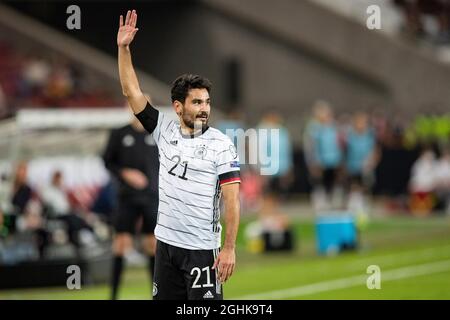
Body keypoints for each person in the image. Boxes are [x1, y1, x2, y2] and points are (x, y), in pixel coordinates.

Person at [117, 10, 241, 300]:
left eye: (207, 102)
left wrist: (229, 248)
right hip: (166, 246)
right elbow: (130, 91)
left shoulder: (221, 144)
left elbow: (232, 199)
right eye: (197, 102)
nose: (204, 109)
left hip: (201, 250)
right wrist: (124, 49)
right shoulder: (164, 131)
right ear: (177, 106)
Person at [102, 112, 159, 300]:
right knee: (120, 244)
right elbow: (107, 161)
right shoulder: (119, 133)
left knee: (152, 245)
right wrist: (125, 173)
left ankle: (156, 294)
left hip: (151, 197)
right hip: (127, 197)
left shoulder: (156, 134)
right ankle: (113, 295)